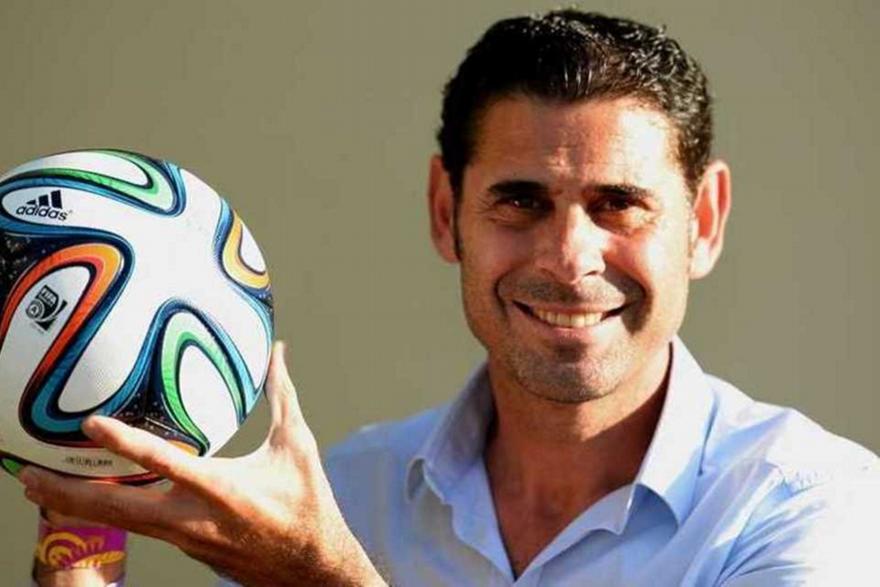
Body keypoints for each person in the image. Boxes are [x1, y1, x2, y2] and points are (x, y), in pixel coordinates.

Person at [18, 9, 878, 586]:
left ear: (704, 220)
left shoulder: (812, 508)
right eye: (520, 200)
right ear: (445, 210)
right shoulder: (348, 494)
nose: (568, 257)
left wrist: (326, 581)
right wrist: (83, 536)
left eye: (619, 204)